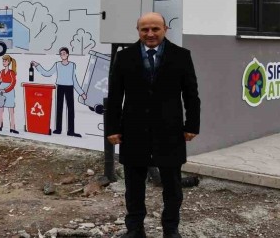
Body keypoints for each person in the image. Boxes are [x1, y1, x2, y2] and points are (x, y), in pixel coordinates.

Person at [106, 12, 201, 238]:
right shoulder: (124, 57)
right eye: (145, 29)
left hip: (170, 131)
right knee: (133, 186)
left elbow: (191, 94)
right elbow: (115, 95)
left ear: (165, 29)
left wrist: (192, 125)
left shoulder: (181, 56)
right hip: (133, 131)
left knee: (172, 186)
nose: (150, 34)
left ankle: (171, 229)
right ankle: (135, 229)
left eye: (155, 29)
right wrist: (112, 128)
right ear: (138, 31)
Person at [32, 47, 87, 137]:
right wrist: (37, 65)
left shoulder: (72, 65)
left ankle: (71, 131)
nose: (62, 55)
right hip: (60, 87)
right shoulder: (57, 64)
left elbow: (74, 80)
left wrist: (81, 93)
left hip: (69, 87)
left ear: (67, 54)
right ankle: (58, 129)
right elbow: (47, 73)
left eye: (64, 53)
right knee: (59, 108)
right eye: (61, 54)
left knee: (71, 109)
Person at [0, 54, 19, 133]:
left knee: (11, 109)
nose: (4, 62)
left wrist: (5, 90)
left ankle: (12, 128)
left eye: (5, 61)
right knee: (0, 108)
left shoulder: (11, 72)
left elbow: (13, 83)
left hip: (9, 92)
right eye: (3, 61)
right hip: (1, 90)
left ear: (9, 62)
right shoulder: (2, 71)